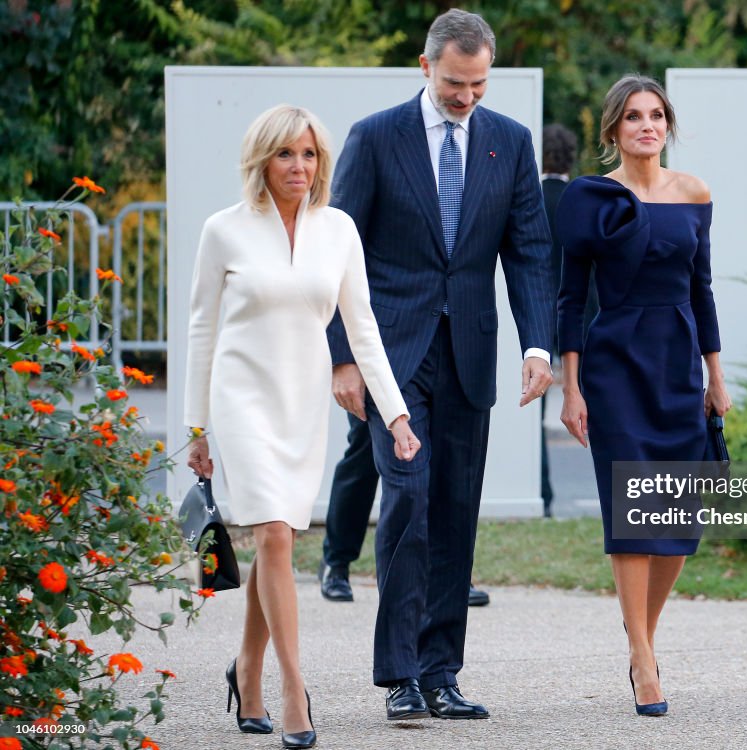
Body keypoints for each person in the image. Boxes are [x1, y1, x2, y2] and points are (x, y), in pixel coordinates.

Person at [326, 9, 553, 722]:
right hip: (390, 356)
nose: (466, 97)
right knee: (409, 503)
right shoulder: (374, 136)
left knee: (455, 513)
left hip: (468, 355)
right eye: (456, 83)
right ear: (425, 68)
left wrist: (538, 344)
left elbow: (530, 252)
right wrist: (342, 359)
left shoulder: (510, 144)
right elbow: (337, 250)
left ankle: (440, 672)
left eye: (479, 83)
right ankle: (398, 675)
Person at [184, 104, 420, 748]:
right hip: (241, 398)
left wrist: (394, 411)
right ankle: (294, 688)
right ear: (262, 159)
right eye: (286, 153)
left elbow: (363, 328)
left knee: (277, 539)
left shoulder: (338, 229)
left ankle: (246, 668)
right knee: (274, 536)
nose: (299, 166)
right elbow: (202, 328)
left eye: (309, 154)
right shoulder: (224, 229)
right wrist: (195, 425)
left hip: (301, 398)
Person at [557, 74, 731, 716]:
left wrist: (716, 374)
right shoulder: (589, 198)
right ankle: (643, 658)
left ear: (668, 125)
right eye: (632, 117)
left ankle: (642, 641)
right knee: (633, 514)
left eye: (656, 115)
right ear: (612, 131)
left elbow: (702, 288)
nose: (646, 126)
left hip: (680, 363)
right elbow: (572, 297)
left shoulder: (694, 193)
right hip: (615, 366)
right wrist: (569, 389)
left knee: (677, 519)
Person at [318, 417, 490, 608]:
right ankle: (336, 562)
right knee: (366, 447)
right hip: (380, 388)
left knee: (440, 445)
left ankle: (447, 576)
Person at [539, 123, 578, 517]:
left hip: (536, 314)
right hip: (575, 314)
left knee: (532, 412)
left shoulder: (530, 198)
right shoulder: (579, 200)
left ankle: (543, 495)